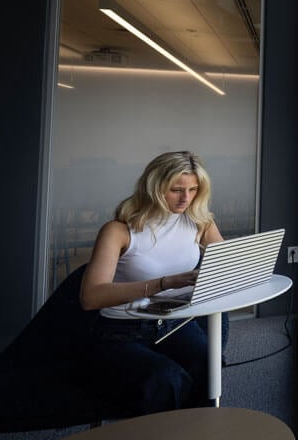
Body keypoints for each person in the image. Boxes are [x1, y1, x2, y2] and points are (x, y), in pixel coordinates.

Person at [79, 151, 225, 413]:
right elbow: (91, 297)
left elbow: (227, 266)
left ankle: (197, 430)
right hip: (121, 331)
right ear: (155, 187)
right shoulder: (119, 230)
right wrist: (165, 282)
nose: (186, 198)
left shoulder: (200, 222)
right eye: (177, 190)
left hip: (173, 323)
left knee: (210, 366)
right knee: (166, 381)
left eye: (193, 190)